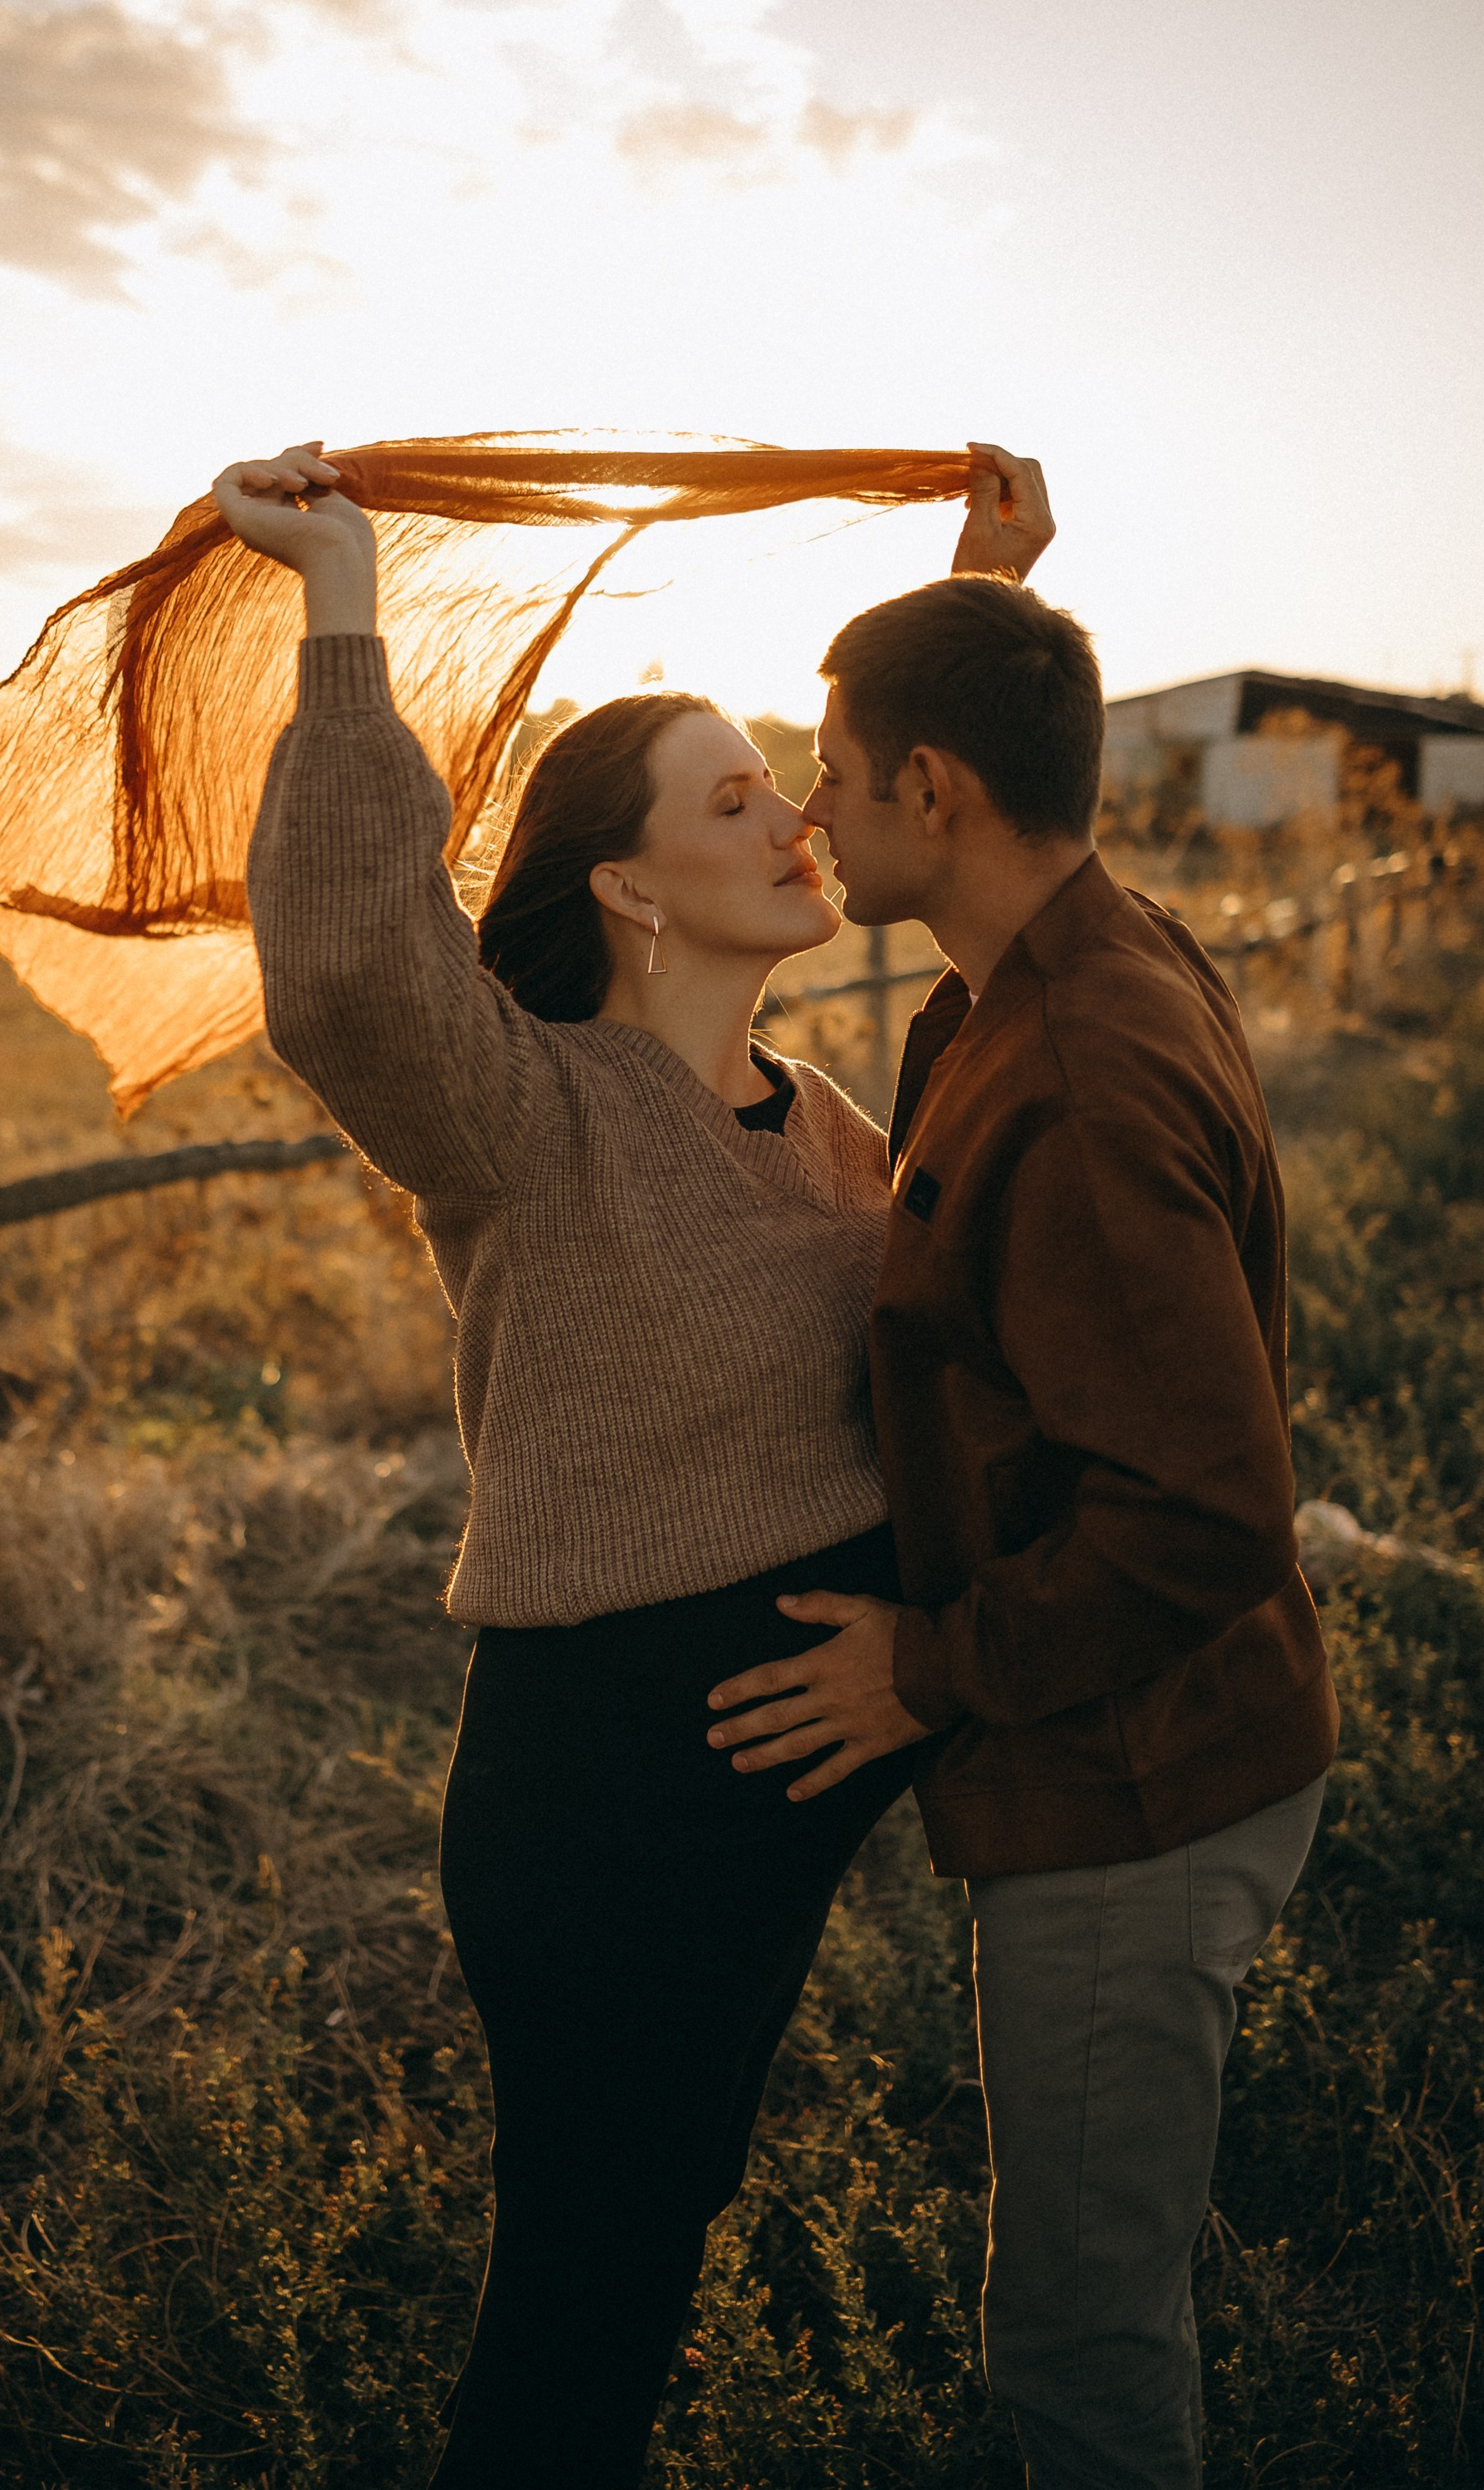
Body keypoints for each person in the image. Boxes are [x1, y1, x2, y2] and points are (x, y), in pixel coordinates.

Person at [214, 439, 1055, 2488]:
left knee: (655, 2243)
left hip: (800, 1774)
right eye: (739, 796)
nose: (799, 814)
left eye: (794, 777)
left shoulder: (826, 1111)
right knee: (585, 2293)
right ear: (622, 878)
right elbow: (342, 967)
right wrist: (343, 603)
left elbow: (965, 832)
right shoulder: (527, 1109)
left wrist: (990, 593)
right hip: (612, 1793)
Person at [706, 573, 1340, 2487]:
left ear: (931, 787)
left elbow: (1207, 1511)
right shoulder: (1082, 951)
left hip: (1135, 1780)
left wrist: (928, 1669)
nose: (806, 816)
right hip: (1163, 1738)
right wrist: (1001, 593)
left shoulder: (1075, 1067)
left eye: (826, 775)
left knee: (1077, 2348)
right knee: (1098, 2290)